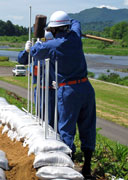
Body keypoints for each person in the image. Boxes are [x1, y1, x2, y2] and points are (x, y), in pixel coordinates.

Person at [27, 11, 96, 179]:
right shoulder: (75, 36)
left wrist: (32, 46)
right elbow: (76, 21)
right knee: (87, 126)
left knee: (66, 129)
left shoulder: (54, 45)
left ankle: (68, 166)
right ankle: (87, 166)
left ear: (54, 30)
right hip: (86, 87)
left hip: (68, 91)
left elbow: (36, 52)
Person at [18, 31, 56, 127]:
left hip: (52, 89)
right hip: (39, 88)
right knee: (40, 116)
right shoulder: (36, 51)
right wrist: (26, 51)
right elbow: (22, 60)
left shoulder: (54, 49)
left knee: (52, 119)